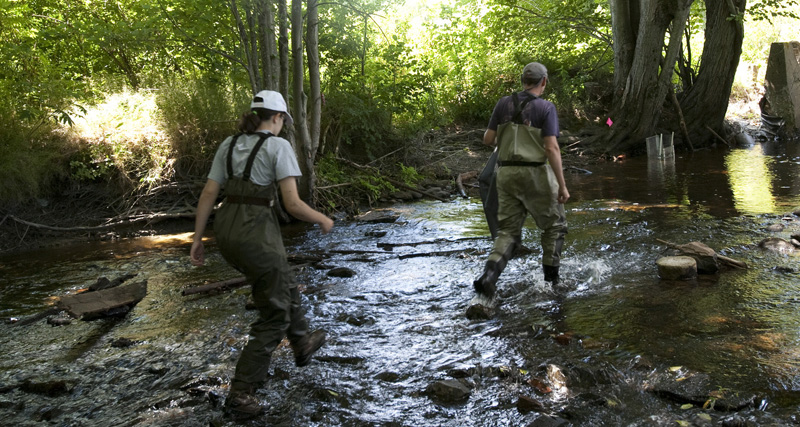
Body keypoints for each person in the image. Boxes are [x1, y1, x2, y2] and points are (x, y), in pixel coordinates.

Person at [190, 90, 334, 418]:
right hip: (255, 231)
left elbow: (209, 193)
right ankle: (241, 394)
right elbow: (292, 204)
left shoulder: (228, 144)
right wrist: (323, 219)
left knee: (281, 276)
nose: (283, 124)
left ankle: (301, 343)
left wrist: (197, 239)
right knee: (273, 316)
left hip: (226, 230)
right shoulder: (278, 146)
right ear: (278, 117)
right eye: (283, 119)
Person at [473, 62, 569, 298]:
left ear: (523, 81)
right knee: (555, 226)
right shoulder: (546, 107)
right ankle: (552, 282)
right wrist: (562, 185)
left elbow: (488, 139)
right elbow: (551, 148)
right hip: (535, 173)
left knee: (508, 231)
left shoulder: (503, 103)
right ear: (543, 81)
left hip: (504, 174)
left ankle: (489, 277)